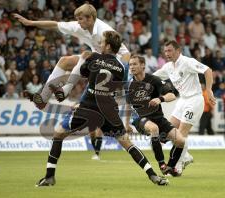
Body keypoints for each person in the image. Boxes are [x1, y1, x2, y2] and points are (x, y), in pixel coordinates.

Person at [35, 31, 168, 187]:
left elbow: (80, 73)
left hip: (88, 107)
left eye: (103, 42)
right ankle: (152, 175)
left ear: (108, 46)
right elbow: (117, 91)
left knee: (58, 134)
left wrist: (69, 86)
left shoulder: (93, 58)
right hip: (108, 110)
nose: (100, 44)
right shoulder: (121, 67)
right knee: (128, 144)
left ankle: (49, 177)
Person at [13, 3, 130, 109]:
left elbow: (126, 54)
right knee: (64, 61)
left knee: (86, 54)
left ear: (90, 18)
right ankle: (43, 98)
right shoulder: (79, 27)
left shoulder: (104, 31)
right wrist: (31, 23)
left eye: (80, 19)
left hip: (113, 68)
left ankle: (65, 91)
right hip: (97, 62)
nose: (78, 22)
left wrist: (120, 80)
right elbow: (55, 25)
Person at [153, 40, 216, 173]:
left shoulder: (187, 62)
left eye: (170, 50)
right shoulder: (168, 67)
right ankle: (185, 155)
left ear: (178, 50)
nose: (167, 54)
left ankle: (178, 165)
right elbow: (153, 77)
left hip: (194, 100)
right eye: (165, 51)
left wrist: (209, 90)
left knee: (180, 135)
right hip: (182, 100)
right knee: (166, 133)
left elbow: (208, 70)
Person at [125, 55, 185, 176]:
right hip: (140, 119)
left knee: (180, 141)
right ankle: (162, 164)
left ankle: (170, 167)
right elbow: (127, 105)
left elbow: (172, 95)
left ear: (143, 65)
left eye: (135, 64)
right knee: (154, 129)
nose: (132, 67)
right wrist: (126, 124)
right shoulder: (129, 85)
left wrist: (160, 99)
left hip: (158, 118)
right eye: (130, 64)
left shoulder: (154, 80)